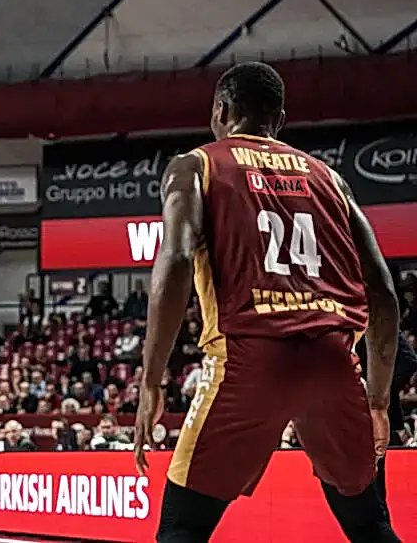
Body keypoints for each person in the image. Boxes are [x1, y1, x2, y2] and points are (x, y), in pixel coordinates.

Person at [132, 61, 401, 542]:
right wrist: (378, 400)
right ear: (278, 120)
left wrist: (152, 380)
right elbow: (382, 292)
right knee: (371, 525)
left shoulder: (196, 165)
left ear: (221, 110)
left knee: (183, 526)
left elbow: (173, 260)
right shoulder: (331, 179)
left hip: (249, 359)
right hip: (332, 359)